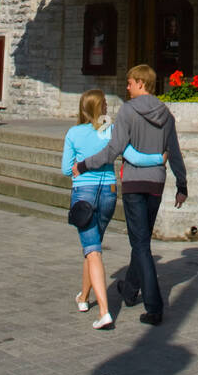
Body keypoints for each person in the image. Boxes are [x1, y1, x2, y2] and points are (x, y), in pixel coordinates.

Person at [73, 64, 187, 327]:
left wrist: (84, 164)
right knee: (142, 238)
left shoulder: (127, 111)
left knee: (140, 244)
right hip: (156, 183)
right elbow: (175, 152)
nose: (126, 87)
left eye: (129, 83)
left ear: (140, 83)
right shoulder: (166, 115)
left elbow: (113, 149)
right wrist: (182, 185)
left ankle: (154, 306)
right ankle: (129, 289)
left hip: (135, 182)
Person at [62, 88, 165, 330]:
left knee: (93, 250)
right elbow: (133, 156)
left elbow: (67, 169)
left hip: (84, 194)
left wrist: (81, 164)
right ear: (102, 109)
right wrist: (158, 159)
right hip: (108, 193)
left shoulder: (74, 133)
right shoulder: (109, 131)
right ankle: (83, 297)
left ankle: (106, 312)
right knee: (92, 246)